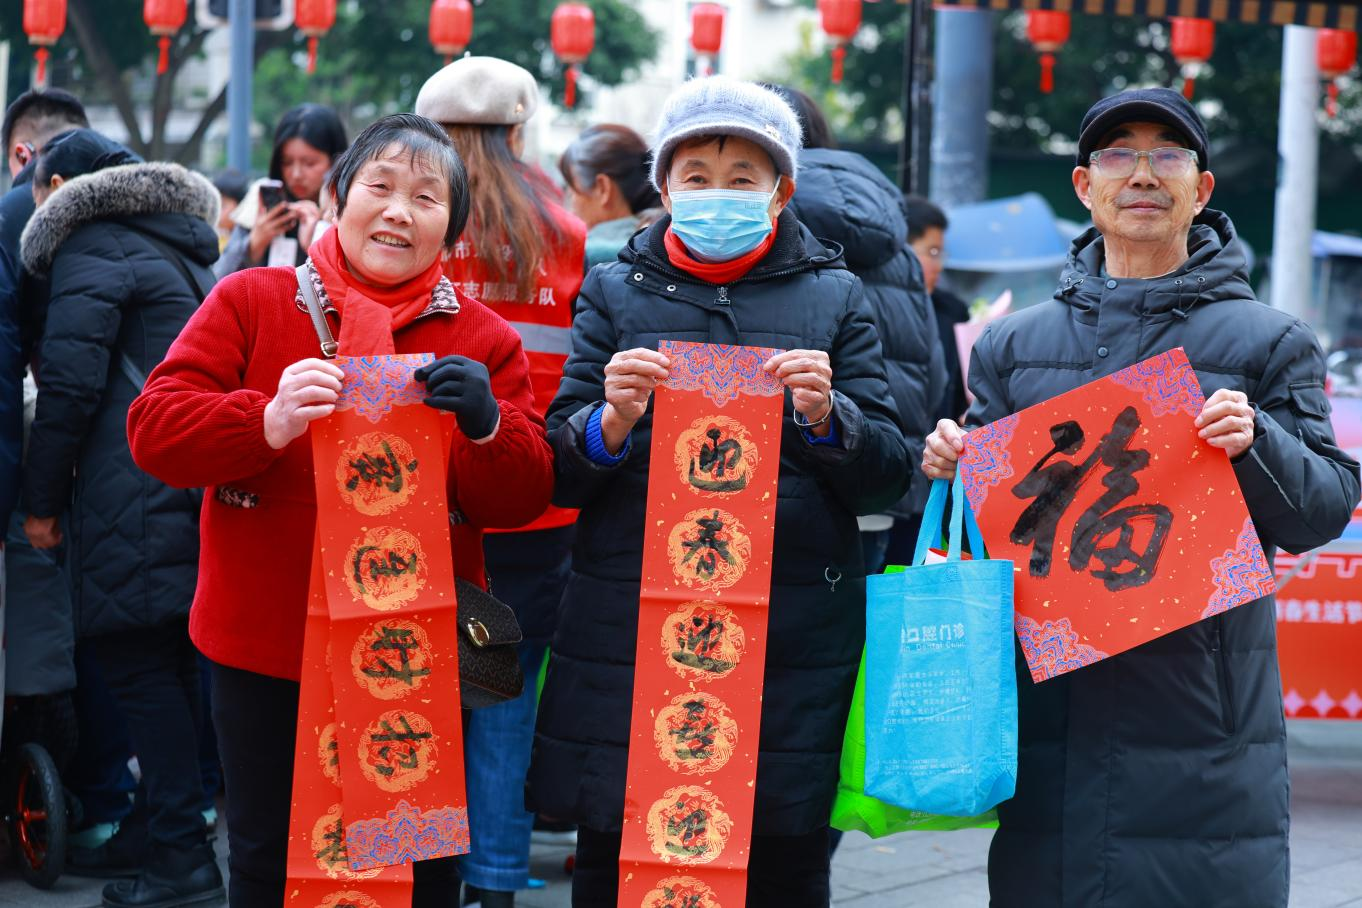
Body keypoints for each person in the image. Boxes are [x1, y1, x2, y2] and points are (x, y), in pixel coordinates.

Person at [921, 88, 1361, 908]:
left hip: (1201, 713)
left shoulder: (1268, 340)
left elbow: (1324, 510)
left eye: (1169, 155)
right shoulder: (1016, 346)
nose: (1144, 173)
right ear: (1086, 187)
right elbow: (989, 529)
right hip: (1052, 706)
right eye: (1120, 153)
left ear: (1201, 189)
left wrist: (1258, 441)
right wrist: (951, 465)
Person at [127, 113, 555, 908]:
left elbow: (524, 496)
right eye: (381, 187)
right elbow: (153, 431)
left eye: (427, 197)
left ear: (450, 228)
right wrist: (265, 420)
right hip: (267, 640)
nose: (399, 210)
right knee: (268, 852)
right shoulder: (252, 299)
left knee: (418, 858)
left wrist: (488, 426)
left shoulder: (481, 336)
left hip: (429, 644)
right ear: (336, 196)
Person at [528, 76, 911, 906]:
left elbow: (889, 471)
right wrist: (610, 421)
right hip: (632, 629)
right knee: (619, 852)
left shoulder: (837, 297)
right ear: (663, 189)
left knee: (781, 864)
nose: (717, 194)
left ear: (783, 191)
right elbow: (558, 465)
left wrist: (827, 418)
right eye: (696, 175)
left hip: (789, 636)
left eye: (744, 176)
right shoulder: (612, 290)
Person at [20, 128, 222, 907]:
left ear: (60, 183)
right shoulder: (182, 244)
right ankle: (162, 829)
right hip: (182, 475)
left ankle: (178, 857)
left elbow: (69, 387)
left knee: (138, 663)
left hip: (127, 484)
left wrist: (40, 503)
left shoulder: (92, 244)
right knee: (169, 660)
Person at [415, 55, 586, 908]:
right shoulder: (566, 227)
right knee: (502, 704)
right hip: (530, 507)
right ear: (521, 129)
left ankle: (420, 869)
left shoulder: (411, 222)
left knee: (413, 694)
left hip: (418, 506)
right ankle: (494, 883)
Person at [774, 85, 945, 574]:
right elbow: (933, 375)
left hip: (775, 480)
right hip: (878, 483)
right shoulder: (899, 249)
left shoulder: (769, 225)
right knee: (850, 638)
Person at [214, 103, 348, 277]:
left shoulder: (347, 214)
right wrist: (255, 243)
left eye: (309, 163)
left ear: (335, 161)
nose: (296, 174)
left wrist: (319, 241)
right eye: (286, 162)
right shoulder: (260, 205)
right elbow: (217, 282)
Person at [558, 123, 663, 269]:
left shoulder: (583, 257)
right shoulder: (662, 243)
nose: (571, 205)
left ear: (603, 188)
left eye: (572, 191)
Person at [904, 195, 970, 423]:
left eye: (940, 254)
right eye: (932, 253)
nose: (939, 266)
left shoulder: (953, 312)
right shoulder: (867, 310)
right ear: (902, 251)